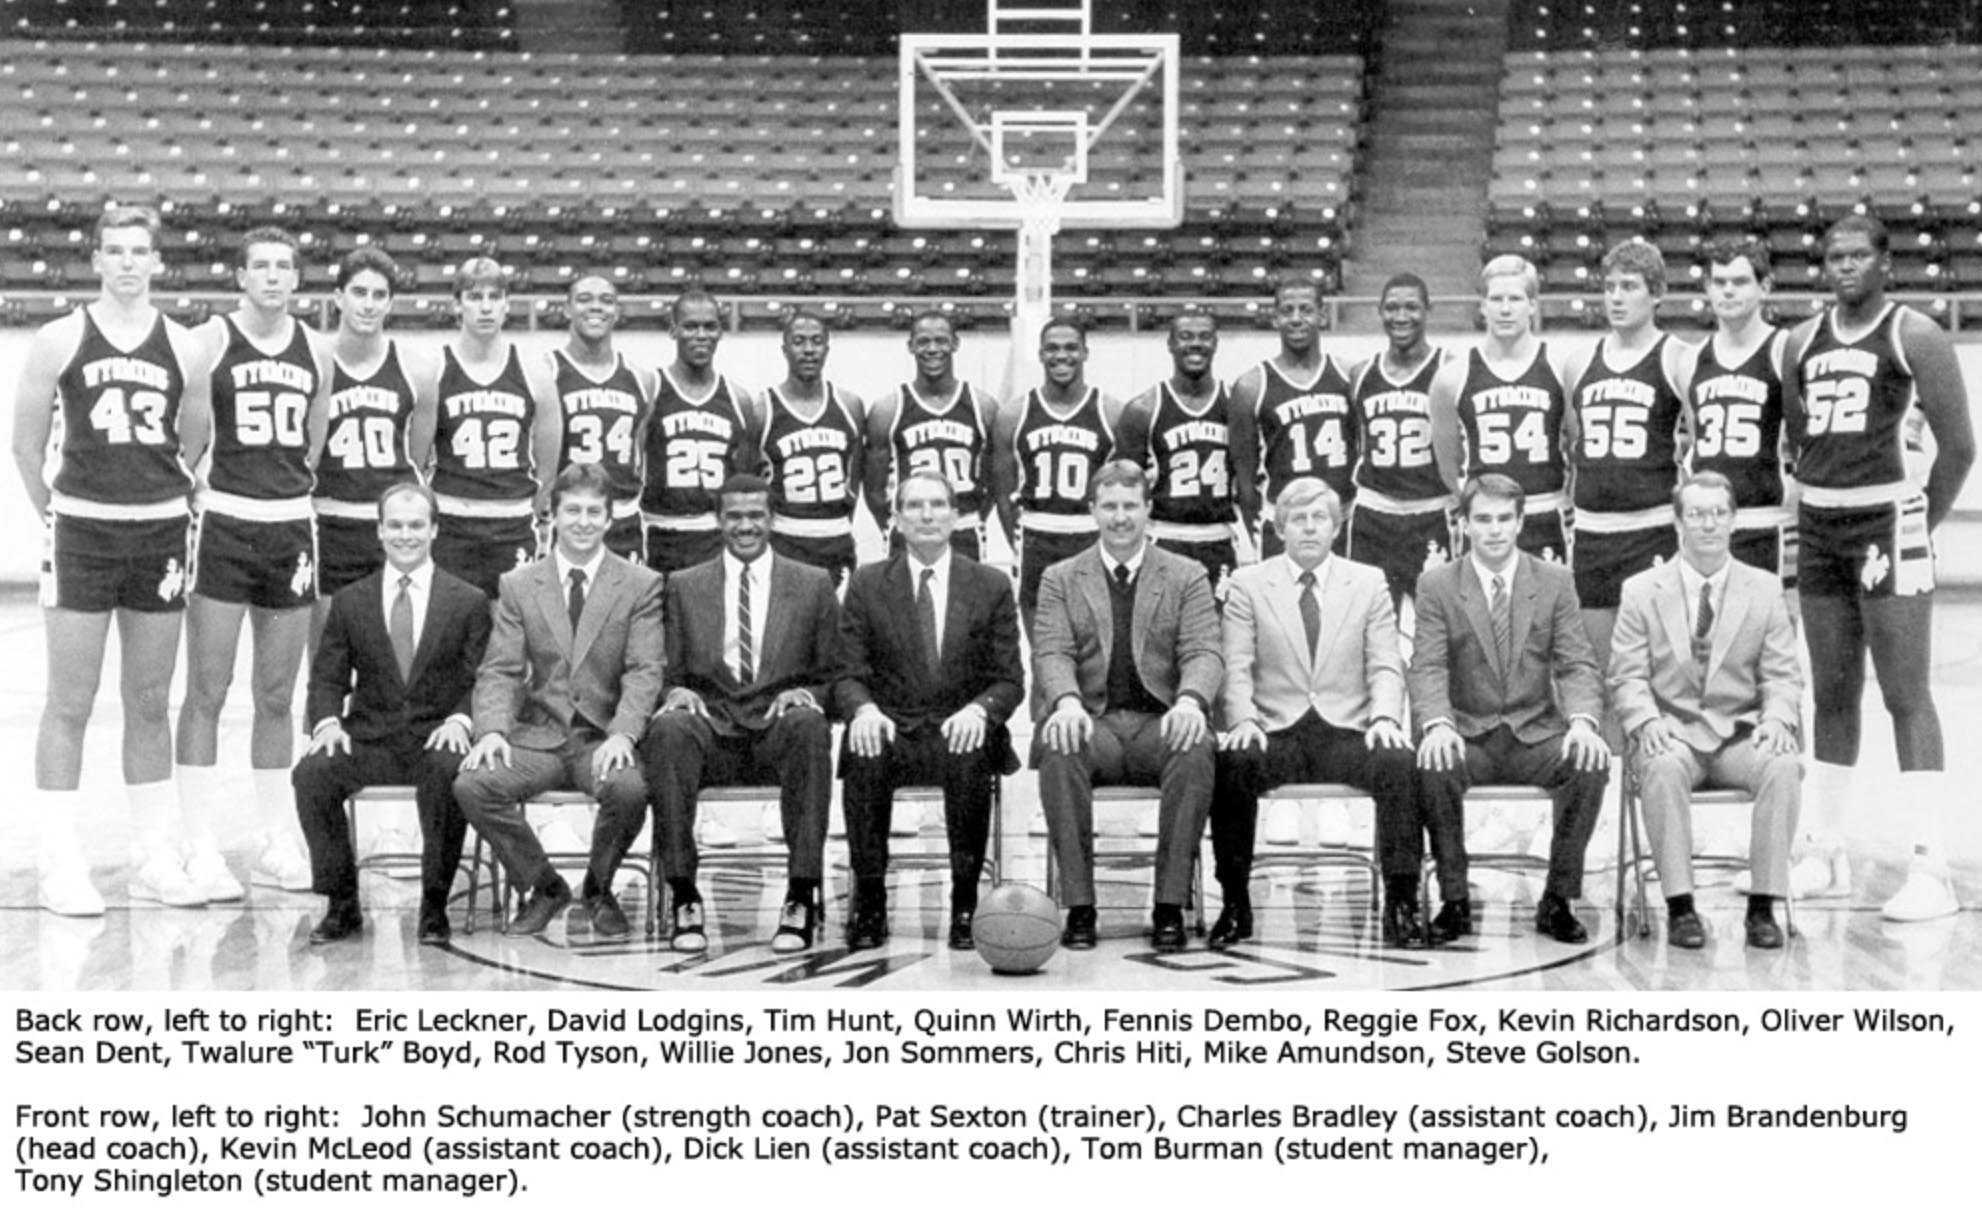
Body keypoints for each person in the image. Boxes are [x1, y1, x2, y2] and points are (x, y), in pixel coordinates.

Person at [9, 203, 213, 914]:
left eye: (140, 251)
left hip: (157, 533)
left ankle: (152, 854)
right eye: (115, 251)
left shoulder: (186, 348)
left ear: (158, 262)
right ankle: (58, 858)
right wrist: (59, 518)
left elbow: (191, 445)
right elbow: (26, 448)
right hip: (82, 534)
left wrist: (147, 501)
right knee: (70, 700)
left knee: (151, 701)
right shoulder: (60, 338)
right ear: (96, 259)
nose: (128, 262)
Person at [1780, 213, 1976, 920]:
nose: (1845, 265)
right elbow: (1800, 441)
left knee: (1904, 693)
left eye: (1859, 254)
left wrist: (1923, 516)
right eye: (1834, 256)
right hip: (1821, 526)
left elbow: (1959, 446)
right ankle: (1825, 848)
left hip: (1889, 523)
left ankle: (1932, 864)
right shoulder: (1800, 341)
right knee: (1830, 691)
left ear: (1886, 263)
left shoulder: (1914, 334)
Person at [176, 226, 337, 899]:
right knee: (207, 691)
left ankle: (275, 835)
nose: (273, 278)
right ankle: (195, 842)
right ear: (240, 276)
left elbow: (314, 444)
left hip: (289, 526)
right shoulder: (210, 341)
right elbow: (187, 439)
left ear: (297, 279)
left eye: (284, 268)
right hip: (224, 523)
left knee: (277, 694)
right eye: (260, 267)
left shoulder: (316, 352)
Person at [454, 462, 665, 938]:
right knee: (474, 785)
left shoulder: (639, 583)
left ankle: (598, 887)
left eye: (595, 511)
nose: (584, 521)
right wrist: (490, 730)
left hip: (601, 739)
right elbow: (501, 669)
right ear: (552, 517)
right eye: (573, 511)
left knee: (629, 789)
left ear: (611, 519)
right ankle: (544, 886)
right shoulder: (520, 584)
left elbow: (645, 670)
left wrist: (624, 734)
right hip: (541, 737)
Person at [1213, 478, 1418, 946]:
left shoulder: (1368, 582)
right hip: (1276, 729)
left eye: (1319, 518)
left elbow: (1386, 663)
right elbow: (1236, 665)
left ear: (1335, 526)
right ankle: (1234, 902)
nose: (1309, 529)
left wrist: (1386, 717)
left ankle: (1402, 902)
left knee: (1399, 763)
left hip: (1346, 729)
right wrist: (1243, 719)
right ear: (1280, 528)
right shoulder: (1248, 584)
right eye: (1298, 520)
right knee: (1232, 763)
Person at [641, 474, 840, 952]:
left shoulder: (813, 584)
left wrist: (809, 695)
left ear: (772, 519)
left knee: (810, 726)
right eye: (734, 516)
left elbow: (836, 673)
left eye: (755, 515)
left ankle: (801, 894)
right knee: (668, 731)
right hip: (711, 729)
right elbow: (664, 671)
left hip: (778, 730)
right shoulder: (684, 585)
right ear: (718, 520)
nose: (745, 525)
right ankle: (684, 894)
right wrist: (674, 694)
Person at [1408, 474, 1609, 945]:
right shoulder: (1437, 585)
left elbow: (1577, 662)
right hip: (1468, 733)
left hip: (1534, 733)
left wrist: (1582, 722)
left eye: (1504, 519)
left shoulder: (1555, 581)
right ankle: (1454, 899)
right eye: (1483, 520)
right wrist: (1437, 724)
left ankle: (1558, 899)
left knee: (1589, 761)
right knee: (1431, 761)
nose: (1494, 530)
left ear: (1520, 523)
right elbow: (1427, 666)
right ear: (1464, 526)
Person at [1032, 460, 1223, 951]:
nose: (1121, 518)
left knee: (1196, 743)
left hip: (1157, 724)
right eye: (1110, 507)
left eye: (1130, 507)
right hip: (1091, 724)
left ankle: (1168, 905)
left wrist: (1190, 701)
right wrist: (1067, 701)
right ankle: (1079, 906)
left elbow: (1204, 650)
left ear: (1148, 511)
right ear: (1092, 510)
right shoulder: (1060, 577)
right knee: (1058, 741)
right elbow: (1051, 650)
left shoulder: (1186, 574)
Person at [1608, 472, 1802, 950]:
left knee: (1782, 764)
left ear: (1734, 520)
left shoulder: (1764, 588)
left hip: (1739, 735)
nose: (1708, 524)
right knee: (1662, 764)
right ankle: (1680, 907)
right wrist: (1646, 722)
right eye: (1696, 514)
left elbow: (1783, 675)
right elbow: (1625, 676)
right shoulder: (1640, 590)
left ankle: (1763, 906)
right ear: (1678, 523)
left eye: (1718, 513)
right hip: (1673, 734)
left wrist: (1777, 719)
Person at [293, 482, 491, 945]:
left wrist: (460, 721)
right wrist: (326, 723)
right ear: (380, 532)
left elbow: (482, 680)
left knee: (448, 772)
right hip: (371, 737)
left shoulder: (467, 600)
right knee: (312, 774)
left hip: (435, 738)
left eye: (416, 525)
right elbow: (326, 679)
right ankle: (342, 904)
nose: (406, 535)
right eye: (396, 526)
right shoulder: (351, 600)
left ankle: (434, 906)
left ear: (434, 530)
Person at [836, 471, 1023, 950]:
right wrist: (863, 710)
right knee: (863, 751)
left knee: (969, 752)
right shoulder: (866, 583)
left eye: (938, 504)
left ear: (956, 516)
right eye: (914, 506)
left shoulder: (991, 584)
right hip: (891, 726)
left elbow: (1009, 680)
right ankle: (871, 901)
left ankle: (965, 903)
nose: (926, 515)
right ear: (895, 519)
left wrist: (980, 711)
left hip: (959, 727)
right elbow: (847, 673)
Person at [1560, 239, 1694, 673]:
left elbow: (1702, 443)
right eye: (1610, 286)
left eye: (1630, 286)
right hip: (1593, 536)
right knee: (1602, 673)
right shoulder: (1579, 362)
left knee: (1660, 672)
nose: (1616, 297)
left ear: (1656, 294)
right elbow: (1575, 442)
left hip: (1652, 531)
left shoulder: (1678, 358)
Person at [415, 257, 560, 599]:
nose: (485, 308)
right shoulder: (434, 369)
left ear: (507, 304)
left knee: (509, 640)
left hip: (512, 526)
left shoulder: (533, 371)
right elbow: (416, 461)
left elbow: (548, 468)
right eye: (474, 297)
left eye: (494, 298)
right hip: (451, 525)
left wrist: (527, 505)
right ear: (456, 305)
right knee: (450, 640)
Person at [314, 246, 434, 620]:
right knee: (327, 657)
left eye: (379, 295)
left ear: (390, 303)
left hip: (391, 529)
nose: (368, 304)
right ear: (338, 298)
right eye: (359, 292)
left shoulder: (417, 368)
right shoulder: (315, 360)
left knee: (391, 657)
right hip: (328, 522)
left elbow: (417, 456)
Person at [1428, 254, 1573, 563]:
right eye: (1496, 299)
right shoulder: (1452, 376)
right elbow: (1447, 464)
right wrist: (1476, 505)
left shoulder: (1561, 367)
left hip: (1545, 513)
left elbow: (1579, 448)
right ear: (1482, 305)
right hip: (1486, 519)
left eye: (1515, 299)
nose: (1505, 309)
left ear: (1533, 304)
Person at [988, 317, 1122, 635]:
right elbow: (1003, 495)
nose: (1061, 356)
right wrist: (1020, 541)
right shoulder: (1014, 414)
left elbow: (1123, 493)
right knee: (1044, 651)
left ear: (1085, 353)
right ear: (1040, 354)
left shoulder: (1111, 412)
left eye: (1070, 348)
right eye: (1052, 348)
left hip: (1092, 534)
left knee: (1095, 650)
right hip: (1037, 536)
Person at [1682, 237, 1795, 580]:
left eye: (1741, 281)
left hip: (1769, 522)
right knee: (1704, 632)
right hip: (1708, 525)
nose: (1728, 291)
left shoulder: (1784, 349)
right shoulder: (1691, 359)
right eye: (1719, 282)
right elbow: (1695, 439)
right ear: (1707, 288)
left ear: (1765, 286)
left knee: (1773, 631)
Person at [1116, 309, 1249, 599]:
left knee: (1216, 634)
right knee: (1159, 635)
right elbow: (1123, 493)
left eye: (1204, 337)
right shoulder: (1143, 409)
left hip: (1218, 537)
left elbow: (1248, 479)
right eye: (1185, 337)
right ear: (1170, 344)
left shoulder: (1236, 406)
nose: (1195, 344)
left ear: (1216, 342)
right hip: (1164, 536)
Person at [1346, 272, 1454, 614]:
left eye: (1411, 307)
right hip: (1373, 517)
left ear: (1428, 310)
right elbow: (1354, 439)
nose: (1401, 316)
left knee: (1439, 626)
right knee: (1367, 628)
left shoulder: (1449, 369)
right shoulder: (1360, 374)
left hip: (1432, 513)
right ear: (1379, 311)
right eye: (1392, 308)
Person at [862, 310, 1005, 561]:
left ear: (955, 344)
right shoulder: (888, 408)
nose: (932, 349)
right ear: (911, 347)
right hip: (909, 530)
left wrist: (972, 517)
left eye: (940, 341)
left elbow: (994, 483)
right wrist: (900, 521)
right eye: (923, 342)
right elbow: (874, 489)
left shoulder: (983, 406)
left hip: (963, 529)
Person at [1229, 280, 1356, 559]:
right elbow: (1245, 478)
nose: (1296, 319)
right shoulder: (1251, 386)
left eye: (1306, 310)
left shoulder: (1349, 376)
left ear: (1322, 315)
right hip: (1284, 523)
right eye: (1287, 310)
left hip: (1341, 521)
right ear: (1275, 318)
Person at [640, 288, 764, 575]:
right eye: (691, 326)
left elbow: (744, 477)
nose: (701, 335)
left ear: (721, 332)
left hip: (713, 536)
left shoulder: (739, 399)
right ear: (673, 331)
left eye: (710, 327)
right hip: (659, 532)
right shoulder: (652, 389)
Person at [552, 273, 657, 563]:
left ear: (618, 312)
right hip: (571, 516)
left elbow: (640, 452)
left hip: (623, 518)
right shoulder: (548, 372)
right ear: (567, 309)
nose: (596, 307)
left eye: (606, 301)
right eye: (584, 299)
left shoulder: (641, 378)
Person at [760, 309, 867, 589]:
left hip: (837, 539)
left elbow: (853, 481)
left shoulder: (850, 405)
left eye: (816, 341)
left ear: (827, 348)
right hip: (785, 538)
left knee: (836, 630)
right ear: (784, 349)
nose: (808, 350)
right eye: (799, 341)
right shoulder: (763, 409)